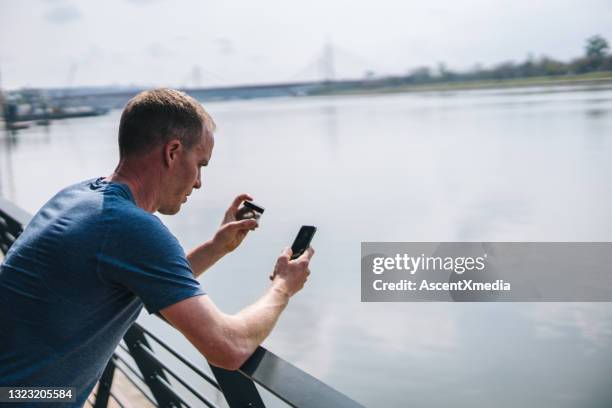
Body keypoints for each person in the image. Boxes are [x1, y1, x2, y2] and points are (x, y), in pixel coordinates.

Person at [0, 88, 314, 407]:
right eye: (200, 164)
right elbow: (228, 348)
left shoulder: (79, 198)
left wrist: (217, 247)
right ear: (173, 152)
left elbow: (148, 281)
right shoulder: (127, 226)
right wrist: (284, 287)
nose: (198, 182)